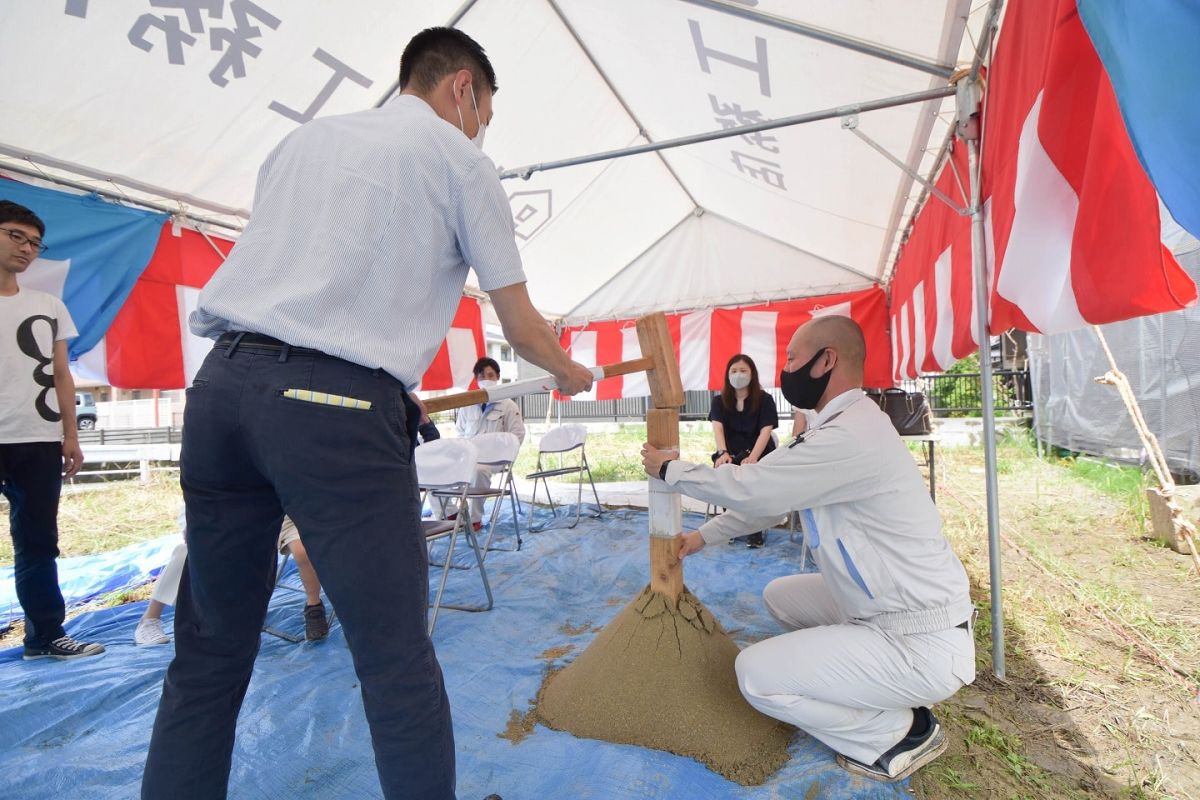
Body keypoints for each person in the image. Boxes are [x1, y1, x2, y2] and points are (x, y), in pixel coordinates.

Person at [141, 27, 592, 800]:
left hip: (221, 390)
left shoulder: (306, 141)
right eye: (484, 111)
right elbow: (520, 326)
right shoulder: (461, 160)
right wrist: (571, 371)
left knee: (209, 652)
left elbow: (311, 277)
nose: (482, 127)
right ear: (463, 90)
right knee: (393, 659)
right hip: (333, 406)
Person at [641, 315, 975, 783]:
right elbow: (774, 498)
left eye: (793, 358)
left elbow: (756, 488)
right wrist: (700, 538)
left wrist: (672, 471)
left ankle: (897, 732)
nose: (785, 369)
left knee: (755, 675)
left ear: (826, 361)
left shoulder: (850, 436)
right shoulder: (839, 427)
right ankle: (874, 680)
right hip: (895, 607)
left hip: (918, 636)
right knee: (781, 595)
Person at [0, 200, 104, 662]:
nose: (27, 248)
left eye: (35, 243)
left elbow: (61, 374)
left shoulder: (47, 305)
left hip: (38, 441)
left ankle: (44, 635)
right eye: (16, 236)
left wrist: (71, 436)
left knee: (39, 542)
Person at [135, 515, 330, 645]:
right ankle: (150, 618)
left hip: (289, 514)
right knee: (188, 550)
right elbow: (201, 481)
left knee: (303, 549)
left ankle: (314, 608)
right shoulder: (221, 454)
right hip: (240, 511)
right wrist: (192, 519)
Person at [443, 356, 524, 527]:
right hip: (469, 456)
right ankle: (451, 514)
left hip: (495, 459)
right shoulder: (467, 404)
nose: (486, 379)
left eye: (490, 375)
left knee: (479, 471)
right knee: (440, 469)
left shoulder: (508, 405)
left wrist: (506, 455)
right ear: (476, 379)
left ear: (498, 377)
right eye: (481, 376)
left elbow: (517, 434)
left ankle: (474, 519)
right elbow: (460, 432)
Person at [708, 353, 778, 547]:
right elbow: (718, 428)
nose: (738, 374)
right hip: (730, 451)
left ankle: (755, 529)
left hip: (759, 451)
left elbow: (766, 431)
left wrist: (754, 457)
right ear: (727, 375)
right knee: (723, 472)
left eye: (743, 370)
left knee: (752, 476)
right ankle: (729, 524)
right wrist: (722, 453)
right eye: (734, 371)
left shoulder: (765, 400)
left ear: (752, 374)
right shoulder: (718, 401)